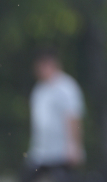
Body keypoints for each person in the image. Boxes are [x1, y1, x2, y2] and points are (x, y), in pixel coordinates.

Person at [21, 50, 85, 182]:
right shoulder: (39, 89)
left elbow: (73, 117)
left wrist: (75, 146)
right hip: (40, 152)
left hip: (61, 152)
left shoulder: (67, 87)